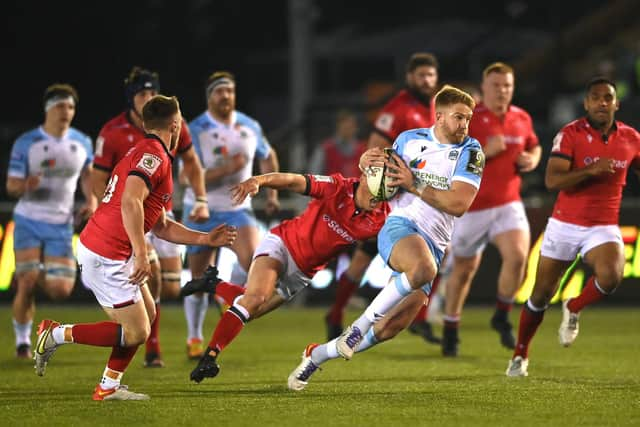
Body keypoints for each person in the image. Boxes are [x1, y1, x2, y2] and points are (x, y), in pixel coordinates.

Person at [33, 95, 237, 401]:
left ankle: (109, 385)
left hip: (111, 249)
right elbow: (130, 201)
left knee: (148, 314)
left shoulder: (149, 153)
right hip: (106, 253)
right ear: (175, 124)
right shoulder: (152, 155)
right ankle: (55, 335)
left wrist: (205, 239)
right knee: (136, 332)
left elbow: (162, 225)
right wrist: (142, 254)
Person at [288, 85, 483, 391]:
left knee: (390, 328)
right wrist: (367, 162)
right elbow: (376, 175)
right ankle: (357, 327)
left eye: (468, 119)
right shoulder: (408, 140)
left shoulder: (471, 152)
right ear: (440, 116)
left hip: (435, 243)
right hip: (399, 227)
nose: (465, 125)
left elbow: (459, 204)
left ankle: (319, 354)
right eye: (459, 117)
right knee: (424, 269)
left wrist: (413, 182)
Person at [183, 168, 391, 383]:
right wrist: (258, 181)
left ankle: (212, 283)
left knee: (251, 311)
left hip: (303, 272)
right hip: (281, 245)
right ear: (363, 180)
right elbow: (292, 181)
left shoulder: (381, 218)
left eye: (383, 196)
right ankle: (209, 356)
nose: (377, 201)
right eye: (375, 194)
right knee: (253, 300)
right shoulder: (336, 187)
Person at [506, 77, 640, 377]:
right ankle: (520, 355)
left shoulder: (631, 138)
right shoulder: (570, 134)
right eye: (596, 97)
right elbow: (552, 180)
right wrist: (590, 170)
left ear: (617, 103)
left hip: (602, 226)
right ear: (587, 103)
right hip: (565, 225)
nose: (602, 102)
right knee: (540, 296)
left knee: (611, 276)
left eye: (608, 97)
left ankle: (574, 306)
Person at [92, 66, 209, 368]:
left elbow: (192, 164)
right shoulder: (116, 134)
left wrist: (201, 200)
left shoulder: (170, 131)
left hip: (156, 213)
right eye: (142, 93)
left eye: (151, 93)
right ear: (131, 99)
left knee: (168, 288)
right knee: (142, 305)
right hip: (127, 220)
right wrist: (107, 212)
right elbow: (109, 186)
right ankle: (150, 348)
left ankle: (113, 378)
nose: (147, 98)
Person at [324, 52, 441, 343]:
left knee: (432, 256)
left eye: (430, 75)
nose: (426, 80)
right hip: (393, 198)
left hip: (419, 197)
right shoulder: (398, 108)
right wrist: (385, 184)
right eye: (421, 75)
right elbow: (376, 147)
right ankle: (336, 314)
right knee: (362, 260)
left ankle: (420, 318)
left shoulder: (437, 110)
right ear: (410, 77)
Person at [442, 62, 541, 356]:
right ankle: (450, 328)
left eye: (507, 86)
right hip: (471, 207)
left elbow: (534, 145)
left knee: (518, 256)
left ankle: (501, 314)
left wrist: (533, 159)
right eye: (496, 85)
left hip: (508, 202)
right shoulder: (467, 118)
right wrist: (484, 152)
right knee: (463, 272)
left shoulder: (521, 118)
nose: (502, 91)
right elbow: (446, 160)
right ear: (483, 89)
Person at [181, 70, 279, 360]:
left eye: (230, 91)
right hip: (202, 209)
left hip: (238, 210)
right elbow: (187, 177)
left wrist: (272, 193)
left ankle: (228, 295)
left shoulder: (248, 126)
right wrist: (227, 169)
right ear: (209, 96)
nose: (226, 96)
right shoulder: (196, 128)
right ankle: (194, 337)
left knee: (254, 260)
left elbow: (268, 154)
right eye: (219, 91)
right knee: (198, 278)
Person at [7, 83, 96, 359]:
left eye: (70, 106)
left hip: (60, 224)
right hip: (29, 220)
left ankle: (33, 273)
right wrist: (25, 185)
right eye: (60, 105)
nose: (66, 111)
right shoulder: (27, 143)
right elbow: (11, 185)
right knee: (26, 281)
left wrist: (92, 201)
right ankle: (23, 341)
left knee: (61, 290)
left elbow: (88, 175)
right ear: (48, 109)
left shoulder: (82, 142)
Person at [309, 109, 366, 177]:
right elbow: (314, 175)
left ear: (356, 128)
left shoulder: (363, 150)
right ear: (338, 126)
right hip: (331, 187)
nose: (347, 129)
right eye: (345, 126)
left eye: (350, 126)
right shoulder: (325, 149)